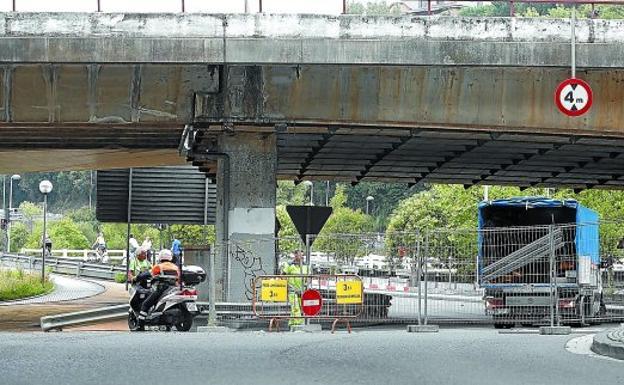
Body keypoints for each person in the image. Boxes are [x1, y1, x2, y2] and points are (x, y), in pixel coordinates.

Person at [138, 249, 180, 323]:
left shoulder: (159, 267)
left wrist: (137, 277)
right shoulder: (175, 267)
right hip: (174, 289)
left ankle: (140, 323)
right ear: (170, 257)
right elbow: (178, 278)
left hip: (161, 289)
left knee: (145, 304)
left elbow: (148, 274)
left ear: (160, 257)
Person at [281, 249, 309, 328]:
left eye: (302, 255)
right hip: (292, 290)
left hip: (302, 290)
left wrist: (307, 284)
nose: (301, 257)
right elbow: (283, 275)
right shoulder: (289, 265)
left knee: (300, 307)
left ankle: (292, 323)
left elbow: (308, 277)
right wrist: (286, 284)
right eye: (299, 255)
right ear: (295, 255)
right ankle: (298, 324)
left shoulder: (305, 265)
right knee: (295, 307)